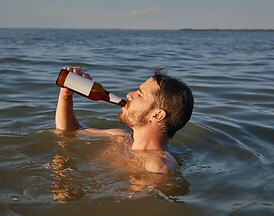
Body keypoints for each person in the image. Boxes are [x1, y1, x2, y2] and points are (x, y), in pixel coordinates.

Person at [55, 66, 194, 174]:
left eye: (139, 94)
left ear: (157, 115)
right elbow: (69, 131)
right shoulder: (121, 137)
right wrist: (66, 95)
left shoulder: (158, 165)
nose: (129, 95)